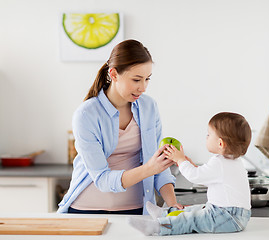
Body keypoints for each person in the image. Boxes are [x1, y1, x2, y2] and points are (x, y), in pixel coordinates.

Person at [57, 39, 183, 215]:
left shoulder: (149, 107)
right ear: (114, 74)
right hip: (87, 211)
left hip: (137, 210)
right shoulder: (86, 114)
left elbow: (159, 164)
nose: (143, 87)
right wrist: (150, 168)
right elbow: (102, 179)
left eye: (147, 79)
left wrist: (172, 204)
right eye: (137, 79)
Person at [128, 112, 252, 235]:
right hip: (230, 215)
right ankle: (164, 214)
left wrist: (180, 160)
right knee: (193, 210)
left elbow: (195, 176)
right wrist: (190, 165)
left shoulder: (221, 163)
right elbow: (205, 177)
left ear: (220, 143)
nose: (206, 137)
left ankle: (157, 227)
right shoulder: (231, 161)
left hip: (228, 217)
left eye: (208, 135)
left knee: (192, 220)